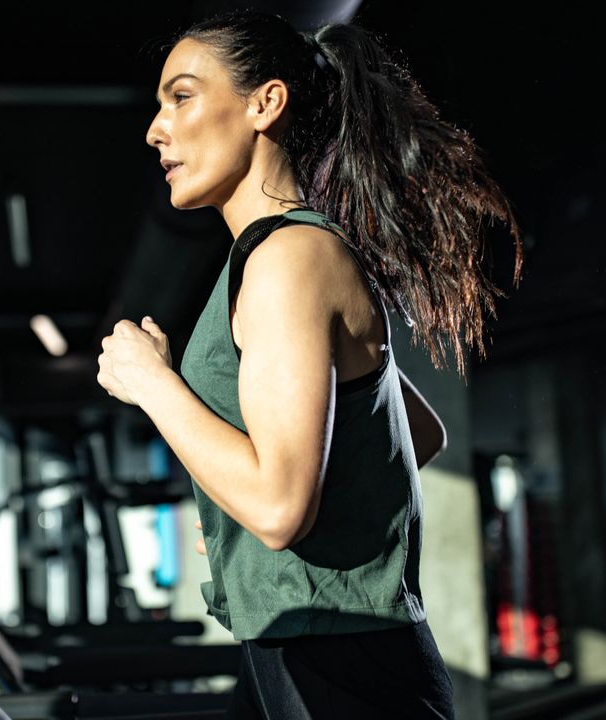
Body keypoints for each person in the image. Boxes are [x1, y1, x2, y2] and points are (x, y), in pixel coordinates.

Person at [96, 9, 522, 718]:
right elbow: (415, 436)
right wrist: (238, 512)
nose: (156, 128)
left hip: (338, 667)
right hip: (319, 654)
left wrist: (152, 383)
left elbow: (278, 507)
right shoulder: (280, 256)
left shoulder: (287, 260)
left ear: (264, 103)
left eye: (181, 96)